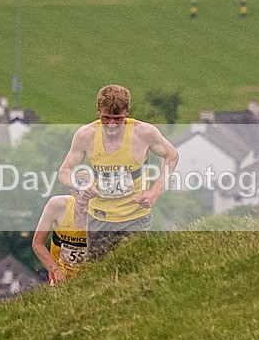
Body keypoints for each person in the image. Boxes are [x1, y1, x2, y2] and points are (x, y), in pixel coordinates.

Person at [58, 84, 179, 257]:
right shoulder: (85, 136)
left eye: (118, 118)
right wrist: (79, 185)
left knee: (135, 269)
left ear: (127, 112)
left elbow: (172, 156)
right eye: (106, 118)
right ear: (98, 110)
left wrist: (155, 192)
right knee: (98, 274)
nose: (112, 125)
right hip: (100, 219)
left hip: (136, 218)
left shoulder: (144, 133)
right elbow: (64, 171)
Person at [32, 176, 89, 285]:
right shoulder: (57, 205)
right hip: (60, 277)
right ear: (73, 192)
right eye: (81, 203)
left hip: (90, 276)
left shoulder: (103, 212)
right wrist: (56, 271)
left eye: (88, 201)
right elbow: (37, 244)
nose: (85, 209)